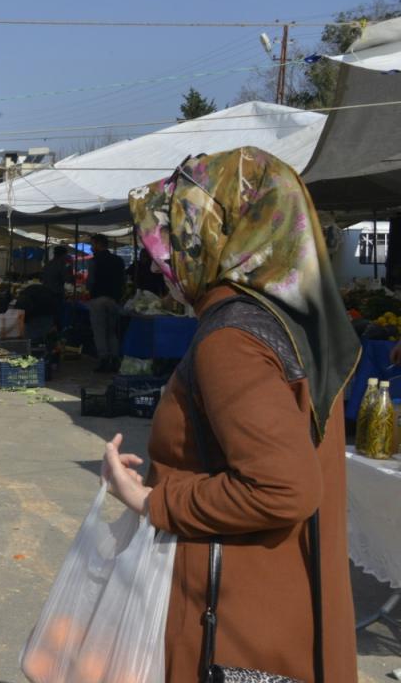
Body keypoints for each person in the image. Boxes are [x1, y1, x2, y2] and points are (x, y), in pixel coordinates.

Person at [104, 148, 358, 682]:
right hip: (286, 609)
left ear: (221, 232)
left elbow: (284, 487)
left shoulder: (233, 340)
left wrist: (152, 499)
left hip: (234, 626)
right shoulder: (299, 323)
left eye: (171, 239)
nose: (158, 261)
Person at [87, 233, 126, 372]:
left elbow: (90, 282)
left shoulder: (94, 261)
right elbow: (123, 281)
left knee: (99, 331)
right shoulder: (118, 260)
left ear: (98, 245)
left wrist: (89, 290)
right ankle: (115, 359)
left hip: (98, 298)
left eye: (92, 245)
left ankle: (104, 359)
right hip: (114, 300)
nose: (91, 248)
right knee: (111, 331)